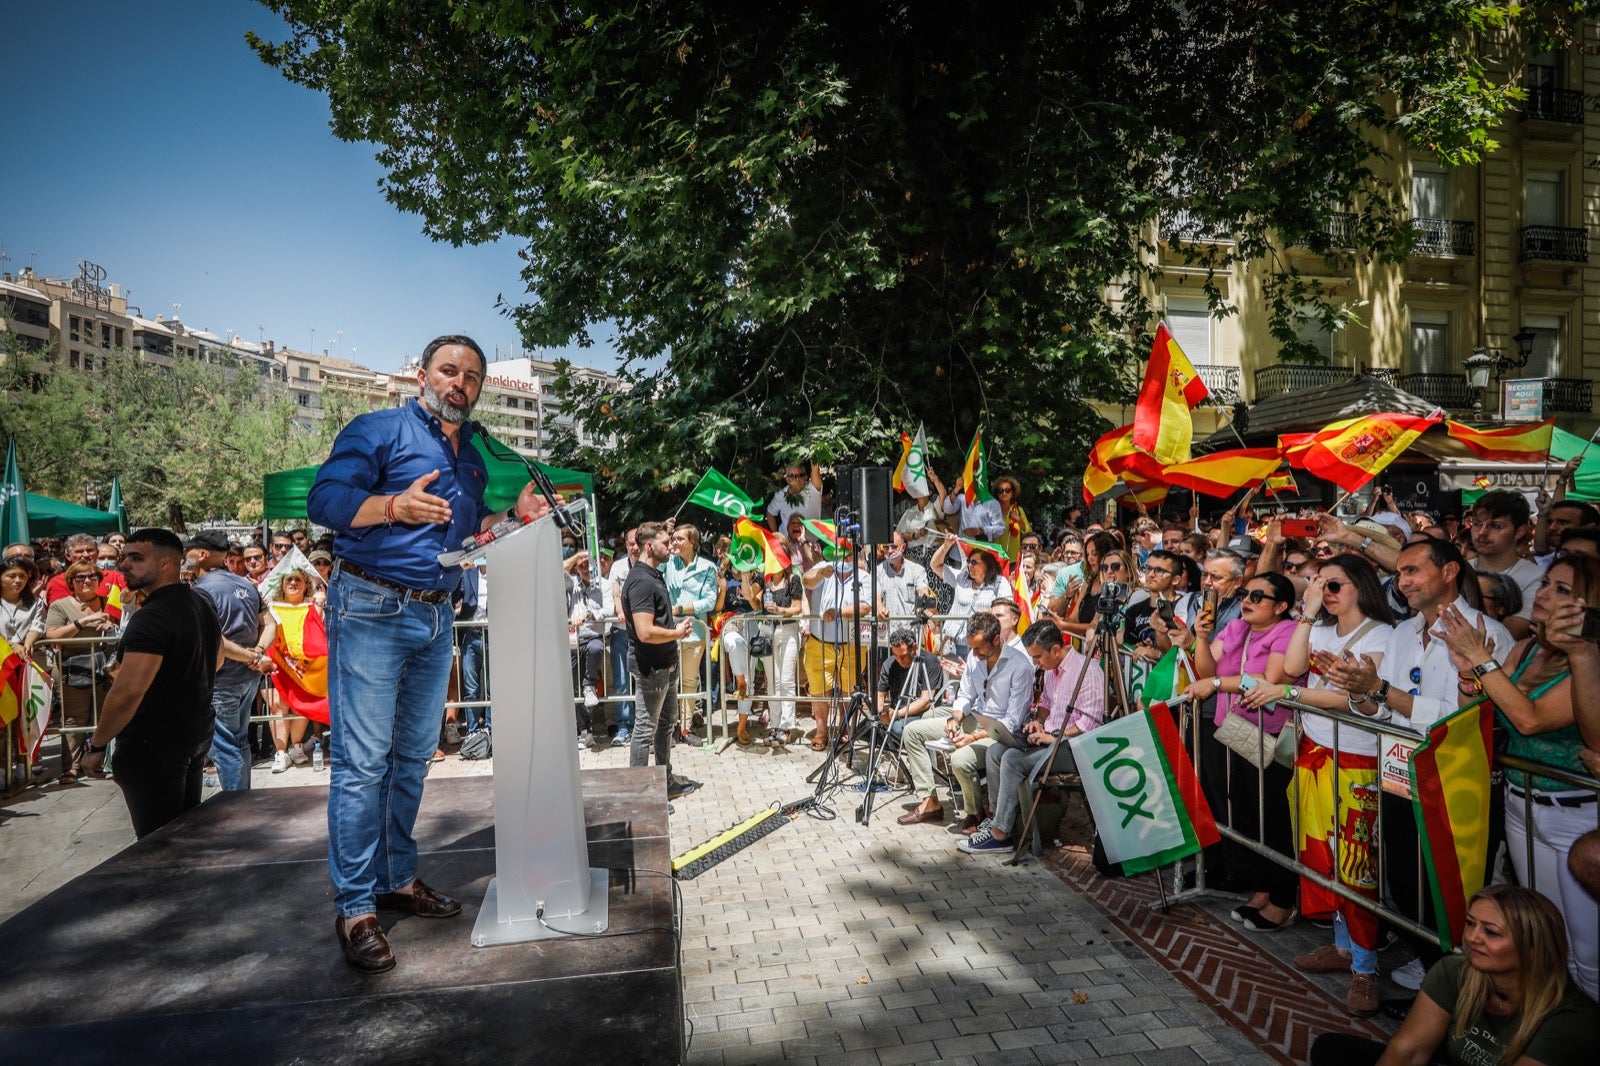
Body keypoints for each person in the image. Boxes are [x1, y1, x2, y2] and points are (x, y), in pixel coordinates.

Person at [308, 333, 551, 974]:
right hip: (370, 608)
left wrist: (509, 518)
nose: (460, 385)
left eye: (471, 377)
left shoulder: (471, 454)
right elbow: (323, 502)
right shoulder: (378, 429)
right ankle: (356, 906)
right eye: (449, 371)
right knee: (362, 765)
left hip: (438, 614)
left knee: (413, 758)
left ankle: (396, 876)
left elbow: (464, 534)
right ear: (422, 375)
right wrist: (392, 504)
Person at [1436, 554, 1600, 998]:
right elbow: (1487, 708)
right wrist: (1471, 672)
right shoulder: (1528, 647)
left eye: (1562, 591)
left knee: (1588, 952)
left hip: (1574, 816)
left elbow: (1528, 719)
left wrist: (1480, 663)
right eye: (1546, 584)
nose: (1544, 594)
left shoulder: (1590, 661)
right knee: (1545, 939)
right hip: (1519, 803)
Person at [1281, 553, 1396, 1016]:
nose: (1325, 594)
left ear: (1361, 586)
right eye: (1319, 585)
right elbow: (1292, 666)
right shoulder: (1321, 629)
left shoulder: (1383, 633)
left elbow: (1352, 698)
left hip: (1356, 760)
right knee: (1323, 856)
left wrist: (1290, 695)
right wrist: (1307, 614)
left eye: (1334, 586)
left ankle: (1366, 970)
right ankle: (1342, 946)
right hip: (1314, 752)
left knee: (1356, 864)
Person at [1307, 885, 1599, 1066]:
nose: (1473, 938)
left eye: (1491, 932)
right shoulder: (1454, 971)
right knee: (1332, 1051)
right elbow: (1408, 1052)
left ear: (1535, 949)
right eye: (1470, 924)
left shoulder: (1570, 1019)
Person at [78, 529, 222, 838]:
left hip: (155, 745)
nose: (124, 565)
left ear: (166, 563)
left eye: (136, 558)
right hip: (190, 736)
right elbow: (218, 660)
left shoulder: (153, 616)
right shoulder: (200, 605)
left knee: (158, 847)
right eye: (123, 557)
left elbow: (128, 692)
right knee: (180, 838)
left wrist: (97, 745)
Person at [1183, 570, 1303, 928]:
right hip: (1231, 731)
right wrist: (1201, 638)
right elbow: (1204, 670)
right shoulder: (1235, 628)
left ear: (1281, 606)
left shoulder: (1289, 632)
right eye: (1247, 594)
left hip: (1270, 734)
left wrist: (1218, 682)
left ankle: (1283, 898)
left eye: (1257, 597)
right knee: (1247, 815)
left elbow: (1272, 679)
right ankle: (1262, 889)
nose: (1247, 601)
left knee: (1274, 818)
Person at [961, 620, 1106, 854]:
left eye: (1038, 657)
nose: (1036, 664)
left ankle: (1001, 834)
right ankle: (1000, 819)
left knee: (1012, 760)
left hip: (1074, 746)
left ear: (1056, 650)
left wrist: (1054, 736)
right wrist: (1037, 724)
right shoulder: (1050, 669)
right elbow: (1046, 704)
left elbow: (1089, 723)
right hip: (1049, 737)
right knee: (996, 750)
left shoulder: (1088, 671)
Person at [188, 529, 276, 792]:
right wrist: (257, 652)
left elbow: (215, 638)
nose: (184, 555)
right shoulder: (246, 585)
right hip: (247, 678)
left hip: (223, 680)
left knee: (225, 747)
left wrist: (253, 654)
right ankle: (242, 802)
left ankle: (236, 806)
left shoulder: (202, 591)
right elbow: (269, 624)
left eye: (188, 550)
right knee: (238, 743)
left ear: (202, 555)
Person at [622, 521, 697, 796]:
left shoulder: (652, 573)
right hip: (651, 665)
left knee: (666, 724)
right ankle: (640, 794)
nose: (672, 547)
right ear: (650, 547)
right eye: (667, 543)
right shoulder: (641, 580)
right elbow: (644, 631)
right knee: (645, 729)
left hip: (665, 662)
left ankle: (663, 783)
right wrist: (675, 632)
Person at [43, 561, 118, 783]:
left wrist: (112, 627)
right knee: (74, 719)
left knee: (106, 715)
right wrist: (81, 622)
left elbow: (124, 625)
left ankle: (102, 761)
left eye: (92, 577)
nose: (86, 581)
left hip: (105, 667)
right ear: (71, 582)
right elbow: (52, 635)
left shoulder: (109, 603)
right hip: (71, 667)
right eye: (80, 578)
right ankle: (71, 767)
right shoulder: (60, 605)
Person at [263, 564, 325, 772]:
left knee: (302, 706)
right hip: (277, 665)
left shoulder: (315, 605)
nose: (293, 583)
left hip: (305, 669)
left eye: (298, 579)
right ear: (281, 584)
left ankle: (296, 747)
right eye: (288, 579)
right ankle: (280, 752)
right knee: (278, 707)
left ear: (305, 585)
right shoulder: (270, 605)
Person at [664, 523, 719, 734]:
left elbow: (709, 601)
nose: (674, 542)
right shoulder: (668, 563)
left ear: (692, 542)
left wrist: (679, 608)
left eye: (679, 539)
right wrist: (664, 530)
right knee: (670, 681)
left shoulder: (707, 567)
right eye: (673, 538)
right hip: (669, 631)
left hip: (694, 631)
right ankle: (669, 727)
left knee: (689, 680)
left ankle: (685, 727)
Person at [1470, 490, 1542, 639]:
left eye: (1496, 526)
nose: (1482, 532)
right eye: (1477, 524)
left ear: (1520, 531)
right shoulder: (1459, 570)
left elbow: (1511, 632)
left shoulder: (1537, 577)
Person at [745, 563, 803, 747]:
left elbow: (797, 607)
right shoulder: (763, 578)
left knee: (786, 680)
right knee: (773, 681)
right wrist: (746, 573)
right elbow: (752, 599)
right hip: (769, 631)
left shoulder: (793, 579)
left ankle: (787, 728)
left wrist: (780, 610)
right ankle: (775, 726)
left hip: (788, 630)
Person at [930, 533, 1006, 656]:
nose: (970, 565)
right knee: (952, 674)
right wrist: (946, 546)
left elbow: (1006, 609)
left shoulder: (999, 582)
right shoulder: (961, 578)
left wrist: (986, 612)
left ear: (987, 564)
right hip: (953, 642)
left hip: (981, 644)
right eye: (969, 561)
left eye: (974, 562)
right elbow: (935, 565)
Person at [606, 528, 638, 746]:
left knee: (647, 680)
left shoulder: (653, 563)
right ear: (625, 545)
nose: (634, 547)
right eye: (630, 544)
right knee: (621, 681)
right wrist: (620, 611)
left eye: (637, 543)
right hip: (621, 631)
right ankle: (624, 726)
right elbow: (614, 593)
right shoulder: (618, 566)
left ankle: (647, 726)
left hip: (647, 632)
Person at [0, 555, 44, 662]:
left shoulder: (36, 603)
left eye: (22, 576)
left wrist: (28, 643)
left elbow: (37, 626)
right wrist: (12, 645)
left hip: (29, 660)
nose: (18, 580)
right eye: (12, 576)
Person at [766, 461, 823, 532]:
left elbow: (815, 469)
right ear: (787, 479)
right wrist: (776, 535)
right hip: (786, 541)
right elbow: (770, 512)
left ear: (806, 477)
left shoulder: (812, 490)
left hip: (810, 541)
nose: (797, 479)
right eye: (793, 476)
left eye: (801, 475)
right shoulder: (781, 494)